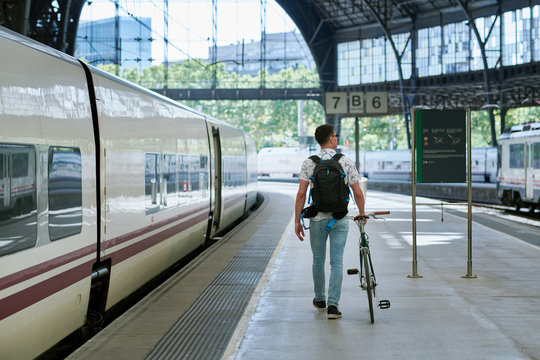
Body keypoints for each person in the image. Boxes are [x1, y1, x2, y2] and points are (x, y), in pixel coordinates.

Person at [294, 124, 366, 319]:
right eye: (334, 136)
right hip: (339, 217)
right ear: (332, 139)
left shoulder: (309, 163)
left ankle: (320, 300)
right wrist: (362, 213)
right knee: (337, 261)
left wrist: (297, 221)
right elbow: (357, 192)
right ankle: (333, 306)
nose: (336, 138)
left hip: (317, 218)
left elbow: (301, 194)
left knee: (318, 260)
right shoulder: (345, 161)